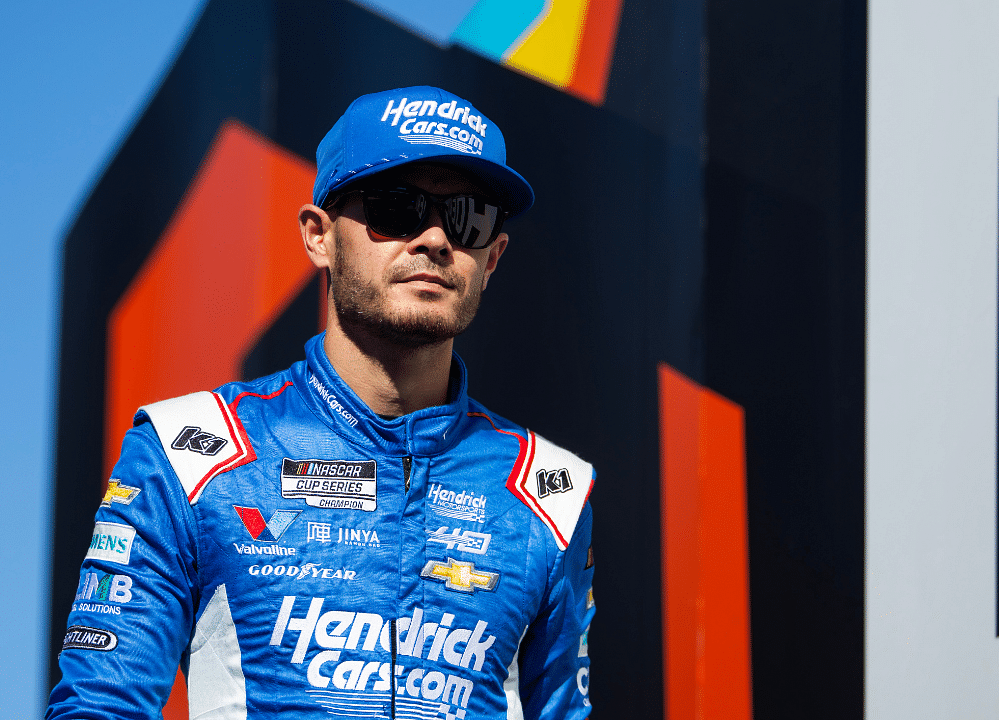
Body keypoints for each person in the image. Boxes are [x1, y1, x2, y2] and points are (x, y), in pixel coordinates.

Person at [46, 86, 595, 720]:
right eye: (398, 207)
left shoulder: (553, 491)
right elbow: (100, 706)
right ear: (318, 237)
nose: (435, 240)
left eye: (468, 218)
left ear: (492, 257)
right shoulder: (188, 450)